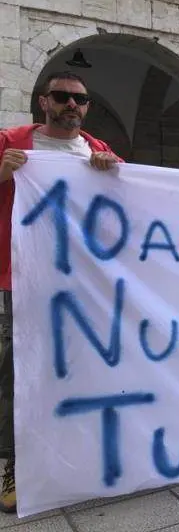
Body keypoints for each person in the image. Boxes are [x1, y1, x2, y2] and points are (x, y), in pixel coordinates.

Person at [0, 71, 121, 513]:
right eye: (63, 97)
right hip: (26, 276)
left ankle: (80, 453)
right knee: (22, 365)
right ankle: (16, 464)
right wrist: (2, 174)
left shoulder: (99, 150)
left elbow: (126, 209)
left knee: (84, 363)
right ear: (43, 101)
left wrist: (115, 175)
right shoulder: (11, 142)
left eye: (81, 99)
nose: (73, 105)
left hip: (86, 280)